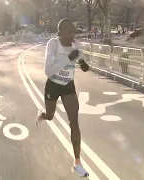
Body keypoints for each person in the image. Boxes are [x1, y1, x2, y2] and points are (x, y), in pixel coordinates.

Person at [36, 18, 90, 177]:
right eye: (68, 32)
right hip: (53, 84)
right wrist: (69, 58)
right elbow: (48, 70)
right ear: (60, 33)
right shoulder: (53, 44)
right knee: (50, 116)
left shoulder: (75, 44)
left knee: (74, 121)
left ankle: (77, 162)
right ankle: (43, 114)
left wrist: (83, 63)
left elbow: (80, 58)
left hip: (68, 86)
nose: (72, 35)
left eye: (73, 32)